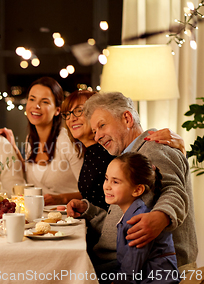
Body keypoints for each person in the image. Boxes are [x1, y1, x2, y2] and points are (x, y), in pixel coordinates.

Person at [67, 92, 197, 275]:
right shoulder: (128, 157)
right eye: (95, 131)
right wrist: (89, 211)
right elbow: (123, 222)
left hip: (151, 269)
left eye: (102, 126)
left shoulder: (153, 147)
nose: (97, 137)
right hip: (118, 260)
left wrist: (161, 216)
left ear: (127, 118)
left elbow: (174, 190)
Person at [0, 77, 82, 205]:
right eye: (32, 99)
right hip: (41, 218)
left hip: (71, 219)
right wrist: (13, 146)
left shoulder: (67, 141)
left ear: (58, 110)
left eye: (45, 102)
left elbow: (92, 191)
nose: (36, 106)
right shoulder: (30, 140)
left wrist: (61, 198)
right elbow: (30, 175)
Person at [105, 152, 179, 284]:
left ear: (137, 190)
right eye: (106, 179)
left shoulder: (138, 222)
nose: (107, 186)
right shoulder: (131, 213)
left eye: (115, 181)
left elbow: (131, 270)